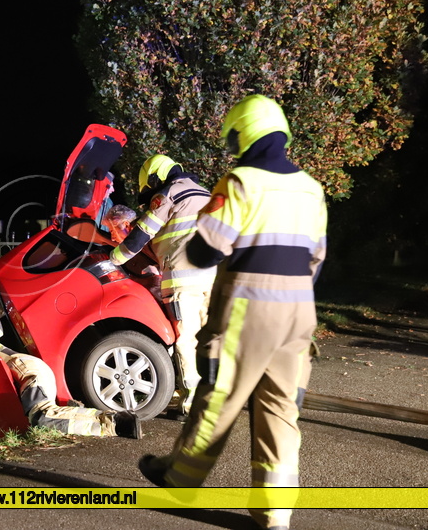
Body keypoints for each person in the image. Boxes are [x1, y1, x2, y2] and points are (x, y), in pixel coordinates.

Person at [138, 95, 328, 530]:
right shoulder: (311, 189)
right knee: (281, 411)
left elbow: (205, 250)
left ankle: (180, 479)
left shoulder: (239, 182)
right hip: (300, 313)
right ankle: (274, 514)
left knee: (219, 396)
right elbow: (317, 259)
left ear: (244, 135)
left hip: (249, 307)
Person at [0, 287, 142, 439]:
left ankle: (115, 423)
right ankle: (75, 410)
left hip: (29, 374)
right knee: (41, 415)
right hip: (30, 375)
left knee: (42, 417)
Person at [108, 154, 216, 417]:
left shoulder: (168, 195)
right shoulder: (205, 194)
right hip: (214, 277)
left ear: (155, 179)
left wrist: (113, 258)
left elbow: (141, 235)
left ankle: (193, 403)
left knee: (187, 339)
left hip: (184, 281)